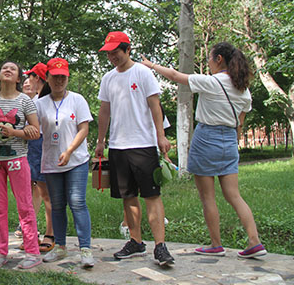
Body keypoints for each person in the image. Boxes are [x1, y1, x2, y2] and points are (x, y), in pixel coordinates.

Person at [141, 42, 267, 258]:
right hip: (229, 140)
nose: (208, 62)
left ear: (219, 59)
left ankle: (216, 244)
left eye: (210, 58)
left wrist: (151, 65)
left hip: (206, 138)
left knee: (208, 197)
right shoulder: (243, 89)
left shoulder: (212, 82)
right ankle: (254, 241)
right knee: (234, 195)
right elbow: (240, 123)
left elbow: (175, 76)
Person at [94, 31, 175, 266]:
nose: (112, 57)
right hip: (118, 146)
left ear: (128, 50)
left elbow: (155, 105)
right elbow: (104, 111)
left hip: (143, 144)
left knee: (151, 195)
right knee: (127, 196)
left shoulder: (143, 72)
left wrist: (160, 136)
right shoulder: (108, 78)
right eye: (108, 53)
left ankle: (160, 246)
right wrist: (101, 140)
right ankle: (136, 241)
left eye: (115, 52)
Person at [0, 61, 41, 269]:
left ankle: (32, 252)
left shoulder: (25, 101)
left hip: (17, 159)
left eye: (12, 69)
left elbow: (36, 131)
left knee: (25, 205)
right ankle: (0, 251)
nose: (7, 70)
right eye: (4, 68)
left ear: (18, 78)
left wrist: (15, 132)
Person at [35, 58, 95, 268]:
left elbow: (84, 129)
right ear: (47, 78)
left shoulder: (77, 100)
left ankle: (85, 249)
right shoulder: (39, 104)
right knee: (57, 204)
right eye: (55, 77)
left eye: (63, 77)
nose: (59, 81)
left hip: (76, 160)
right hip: (51, 162)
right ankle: (60, 246)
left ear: (67, 78)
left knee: (77, 202)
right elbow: (32, 129)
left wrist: (69, 151)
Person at [23, 63, 55, 253]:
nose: (28, 81)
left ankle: (50, 234)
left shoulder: (47, 100)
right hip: (32, 146)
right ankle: (30, 234)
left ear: (38, 78)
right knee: (30, 191)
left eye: (31, 77)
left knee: (45, 192)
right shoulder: (35, 100)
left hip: (44, 144)